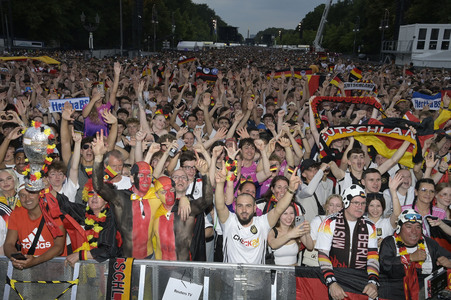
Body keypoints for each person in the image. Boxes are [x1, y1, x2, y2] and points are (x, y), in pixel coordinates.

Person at [215, 164, 302, 264]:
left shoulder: (262, 223)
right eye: (240, 206)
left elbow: (279, 209)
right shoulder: (229, 221)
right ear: (235, 207)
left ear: (255, 208)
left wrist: (290, 190)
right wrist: (220, 184)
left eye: (248, 206)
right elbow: (220, 206)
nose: (244, 210)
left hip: (257, 277)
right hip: (231, 277)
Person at [316, 184, 379, 300]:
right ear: (346, 202)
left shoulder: (370, 226)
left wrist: (373, 282)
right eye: (356, 203)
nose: (360, 207)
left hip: (360, 279)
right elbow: (323, 255)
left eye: (363, 203)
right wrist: (331, 283)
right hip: (335, 277)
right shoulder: (329, 222)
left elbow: (373, 257)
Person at [379, 209, 451, 299]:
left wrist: (449, 262)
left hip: (426, 294)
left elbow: (448, 258)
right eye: (409, 226)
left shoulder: (429, 243)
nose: (414, 231)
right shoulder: (389, 242)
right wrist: (410, 257)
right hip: (396, 293)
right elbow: (384, 265)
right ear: (399, 228)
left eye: (417, 227)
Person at [4, 186, 67, 269]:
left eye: (31, 194)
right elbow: (9, 244)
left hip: (55, 268)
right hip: (28, 269)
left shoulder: (53, 212)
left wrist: (35, 261)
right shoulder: (16, 214)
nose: (27, 199)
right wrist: (16, 258)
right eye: (23, 195)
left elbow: (59, 247)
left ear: (40, 194)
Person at [303, 194, 343, 267]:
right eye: (331, 205)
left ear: (342, 208)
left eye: (338, 206)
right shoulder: (318, 221)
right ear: (327, 207)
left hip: (337, 264)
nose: (334, 208)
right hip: (316, 264)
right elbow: (312, 243)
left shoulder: (344, 224)